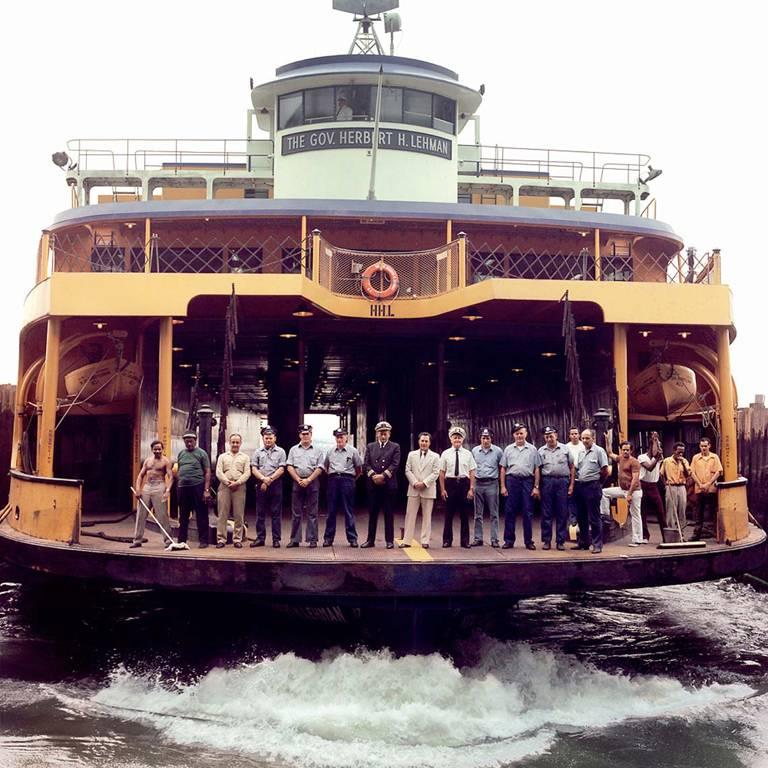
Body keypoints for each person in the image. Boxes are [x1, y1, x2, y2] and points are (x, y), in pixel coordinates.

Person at [500, 423, 541, 550]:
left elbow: (537, 469)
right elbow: (503, 469)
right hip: (512, 481)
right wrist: (503, 486)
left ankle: (528, 541)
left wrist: (536, 486)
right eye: (517, 433)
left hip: (527, 482)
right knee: (509, 511)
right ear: (513, 435)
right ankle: (508, 540)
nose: (519, 436)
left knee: (528, 512)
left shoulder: (533, 449)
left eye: (521, 433)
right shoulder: (508, 449)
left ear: (526, 434)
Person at [362, 421, 401, 549]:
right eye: (380, 433)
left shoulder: (395, 447)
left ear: (389, 434)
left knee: (388, 514)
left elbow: (395, 464)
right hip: (373, 485)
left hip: (388, 485)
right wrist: (374, 476)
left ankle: (389, 541)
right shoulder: (370, 446)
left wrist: (383, 476)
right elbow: (366, 464)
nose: (383, 436)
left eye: (385, 433)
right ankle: (370, 540)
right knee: (372, 514)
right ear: (377, 434)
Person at [131, 439, 175, 549]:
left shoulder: (166, 461)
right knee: (141, 514)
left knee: (162, 515)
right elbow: (140, 476)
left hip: (159, 486)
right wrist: (138, 489)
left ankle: (168, 541)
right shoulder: (147, 461)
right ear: (152, 450)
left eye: (159, 449)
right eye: (155, 449)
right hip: (147, 487)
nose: (157, 451)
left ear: (162, 449)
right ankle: (137, 540)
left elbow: (171, 477)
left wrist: (167, 491)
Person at [285, 424, 325, 548]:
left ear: (311, 435)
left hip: (312, 482)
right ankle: (295, 540)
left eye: (307, 434)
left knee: (312, 513)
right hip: (297, 483)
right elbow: (289, 466)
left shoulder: (318, 450)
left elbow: (320, 467)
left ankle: (312, 539)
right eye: (303, 434)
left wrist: (308, 479)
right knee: (296, 512)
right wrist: (298, 479)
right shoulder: (293, 450)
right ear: (299, 435)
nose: (305, 436)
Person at [323, 427, 362, 547]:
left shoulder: (353, 451)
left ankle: (352, 538)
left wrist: (350, 479)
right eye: (337, 437)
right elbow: (325, 467)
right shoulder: (330, 451)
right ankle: (328, 538)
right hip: (333, 480)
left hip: (347, 480)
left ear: (346, 437)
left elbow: (359, 469)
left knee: (348, 510)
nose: (339, 439)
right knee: (331, 511)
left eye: (342, 436)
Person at [439, 426, 477, 548]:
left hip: (463, 484)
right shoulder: (445, 454)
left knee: (465, 514)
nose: (457, 440)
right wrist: (443, 489)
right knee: (448, 514)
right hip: (450, 484)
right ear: (451, 439)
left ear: (463, 440)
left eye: (459, 438)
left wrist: (471, 488)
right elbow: (441, 472)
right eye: (455, 437)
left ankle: (465, 541)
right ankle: (447, 540)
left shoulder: (468, 454)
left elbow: (472, 472)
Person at [572, 429, 610, 553]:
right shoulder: (581, 452)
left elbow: (605, 470)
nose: (584, 440)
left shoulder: (599, 451)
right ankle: (584, 542)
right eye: (583, 438)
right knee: (581, 516)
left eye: (587, 438)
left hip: (593, 486)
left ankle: (597, 544)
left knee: (594, 517)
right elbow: (579, 469)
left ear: (593, 438)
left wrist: (599, 483)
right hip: (581, 486)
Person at [537, 426, 574, 551]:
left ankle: (560, 541)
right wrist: (537, 486)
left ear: (556, 435)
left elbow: (572, 467)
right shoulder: (541, 451)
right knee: (546, 513)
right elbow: (538, 469)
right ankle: (546, 541)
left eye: (551, 435)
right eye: (547, 436)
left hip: (562, 482)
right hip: (547, 482)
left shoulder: (565, 449)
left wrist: (571, 485)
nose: (549, 438)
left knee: (562, 512)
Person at [601, 440, 643, 547]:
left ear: (631, 451)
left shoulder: (634, 462)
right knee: (604, 493)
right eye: (623, 450)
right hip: (622, 489)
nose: (625, 452)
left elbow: (635, 479)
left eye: (627, 450)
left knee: (635, 514)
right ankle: (605, 515)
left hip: (634, 491)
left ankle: (637, 539)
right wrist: (608, 440)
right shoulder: (620, 458)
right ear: (621, 450)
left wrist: (629, 494)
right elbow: (610, 453)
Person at [402, 432, 440, 548]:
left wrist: (424, 483)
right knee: (410, 515)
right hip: (413, 489)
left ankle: (425, 541)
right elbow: (407, 470)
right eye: (422, 441)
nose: (424, 443)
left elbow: (436, 472)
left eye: (426, 441)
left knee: (427, 516)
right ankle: (407, 540)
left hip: (427, 489)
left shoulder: (435, 456)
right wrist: (415, 482)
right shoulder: (411, 454)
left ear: (429, 443)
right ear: (418, 441)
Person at [251, 425, 286, 548]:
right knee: (260, 512)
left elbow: (282, 469)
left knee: (276, 513)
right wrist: (263, 479)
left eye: (270, 438)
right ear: (263, 438)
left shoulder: (281, 452)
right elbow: (254, 468)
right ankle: (260, 538)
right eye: (266, 438)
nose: (268, 440)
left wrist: (269, 480)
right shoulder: (257, 452)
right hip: (261, 483)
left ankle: (276, 539)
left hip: (275, 484)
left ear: (275, 438)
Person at [175, 431, 212, 548]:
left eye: (191, 441)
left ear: (195, 441)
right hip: (183, 488)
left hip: (198, 486)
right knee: (183, 515)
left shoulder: (202, 453)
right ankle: (181, 540)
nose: (189, 444)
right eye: (187, 441)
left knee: (201, 514)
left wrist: (206, 490)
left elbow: (207, 472)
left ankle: (203, 540)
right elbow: (179, 469)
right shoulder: (181, 454)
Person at [214, 434, 250, 549]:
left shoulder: (245, 457)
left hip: (239, 487)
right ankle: (221, 539)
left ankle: (237, 539)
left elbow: (247, 473)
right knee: (222, 514)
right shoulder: (222, 457)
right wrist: (227, 482)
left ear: (240, 443)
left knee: (238, 514)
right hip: (225, 487)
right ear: (229, 443)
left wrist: (238, 482)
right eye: (233, 442)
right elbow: (218, 472)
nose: (235, 444)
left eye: (237, 442)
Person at [471, 428, 503, 547]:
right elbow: (472, 469)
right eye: (483, 438)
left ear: (491, 438)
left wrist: (501, 484)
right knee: (477, 513)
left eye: (488, 438)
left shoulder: (498, 451)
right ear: (480, 439)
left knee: (494, 513)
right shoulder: (474, 451)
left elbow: (502, 467)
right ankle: (478, 538)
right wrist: (472, 485)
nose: (485, 440)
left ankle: (494, 539)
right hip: (478, 483)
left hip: (492, 483)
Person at [690, 437, 723, 540]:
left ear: (709, 446)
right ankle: (697, 535)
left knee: (713, 511)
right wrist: (700, 484)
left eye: (705, 446)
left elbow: (719, 471)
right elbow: (692, 472)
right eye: (702, 446)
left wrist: (708, 483)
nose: (703, 448)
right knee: (699, 512)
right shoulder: (695, 458)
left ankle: (715, 532)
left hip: (711, 489)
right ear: (699, 446)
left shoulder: (714, 457)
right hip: (700, 489)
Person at [637, 432, 665, 541]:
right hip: (643, 485)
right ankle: (645, 535)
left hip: (654, 486)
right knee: (643, 511)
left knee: (661, 511)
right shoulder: (641, 457)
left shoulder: (659, 457)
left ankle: (665, 535)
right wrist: (657, 455)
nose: (659, 448)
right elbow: (649, 467)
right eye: (656, 446)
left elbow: (659, 466)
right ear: (650, 446)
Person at [660, 442, 691, 537]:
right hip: (671, 487)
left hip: (681, 487)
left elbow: (688, 474)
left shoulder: (684, 461)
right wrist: (665, 484)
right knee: (671, 511)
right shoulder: (667, 461)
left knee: (682, 510)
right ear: (674, 451)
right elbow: (661, 474)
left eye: (682, 452)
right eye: (679, 452)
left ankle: (681, 533)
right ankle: (671, 533)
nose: (681, 454)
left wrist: (683, 464)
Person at [565, 426, 583, 527]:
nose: (574, 436)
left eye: (576, 433)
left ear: (579, 434)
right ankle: (572, 518)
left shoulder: (583, 445)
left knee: (582, 498)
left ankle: (582, 518)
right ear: (569, 435)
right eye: (572, 434)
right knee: (571, 498)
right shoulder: (566, 447)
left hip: (582, 474)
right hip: (570, 475)